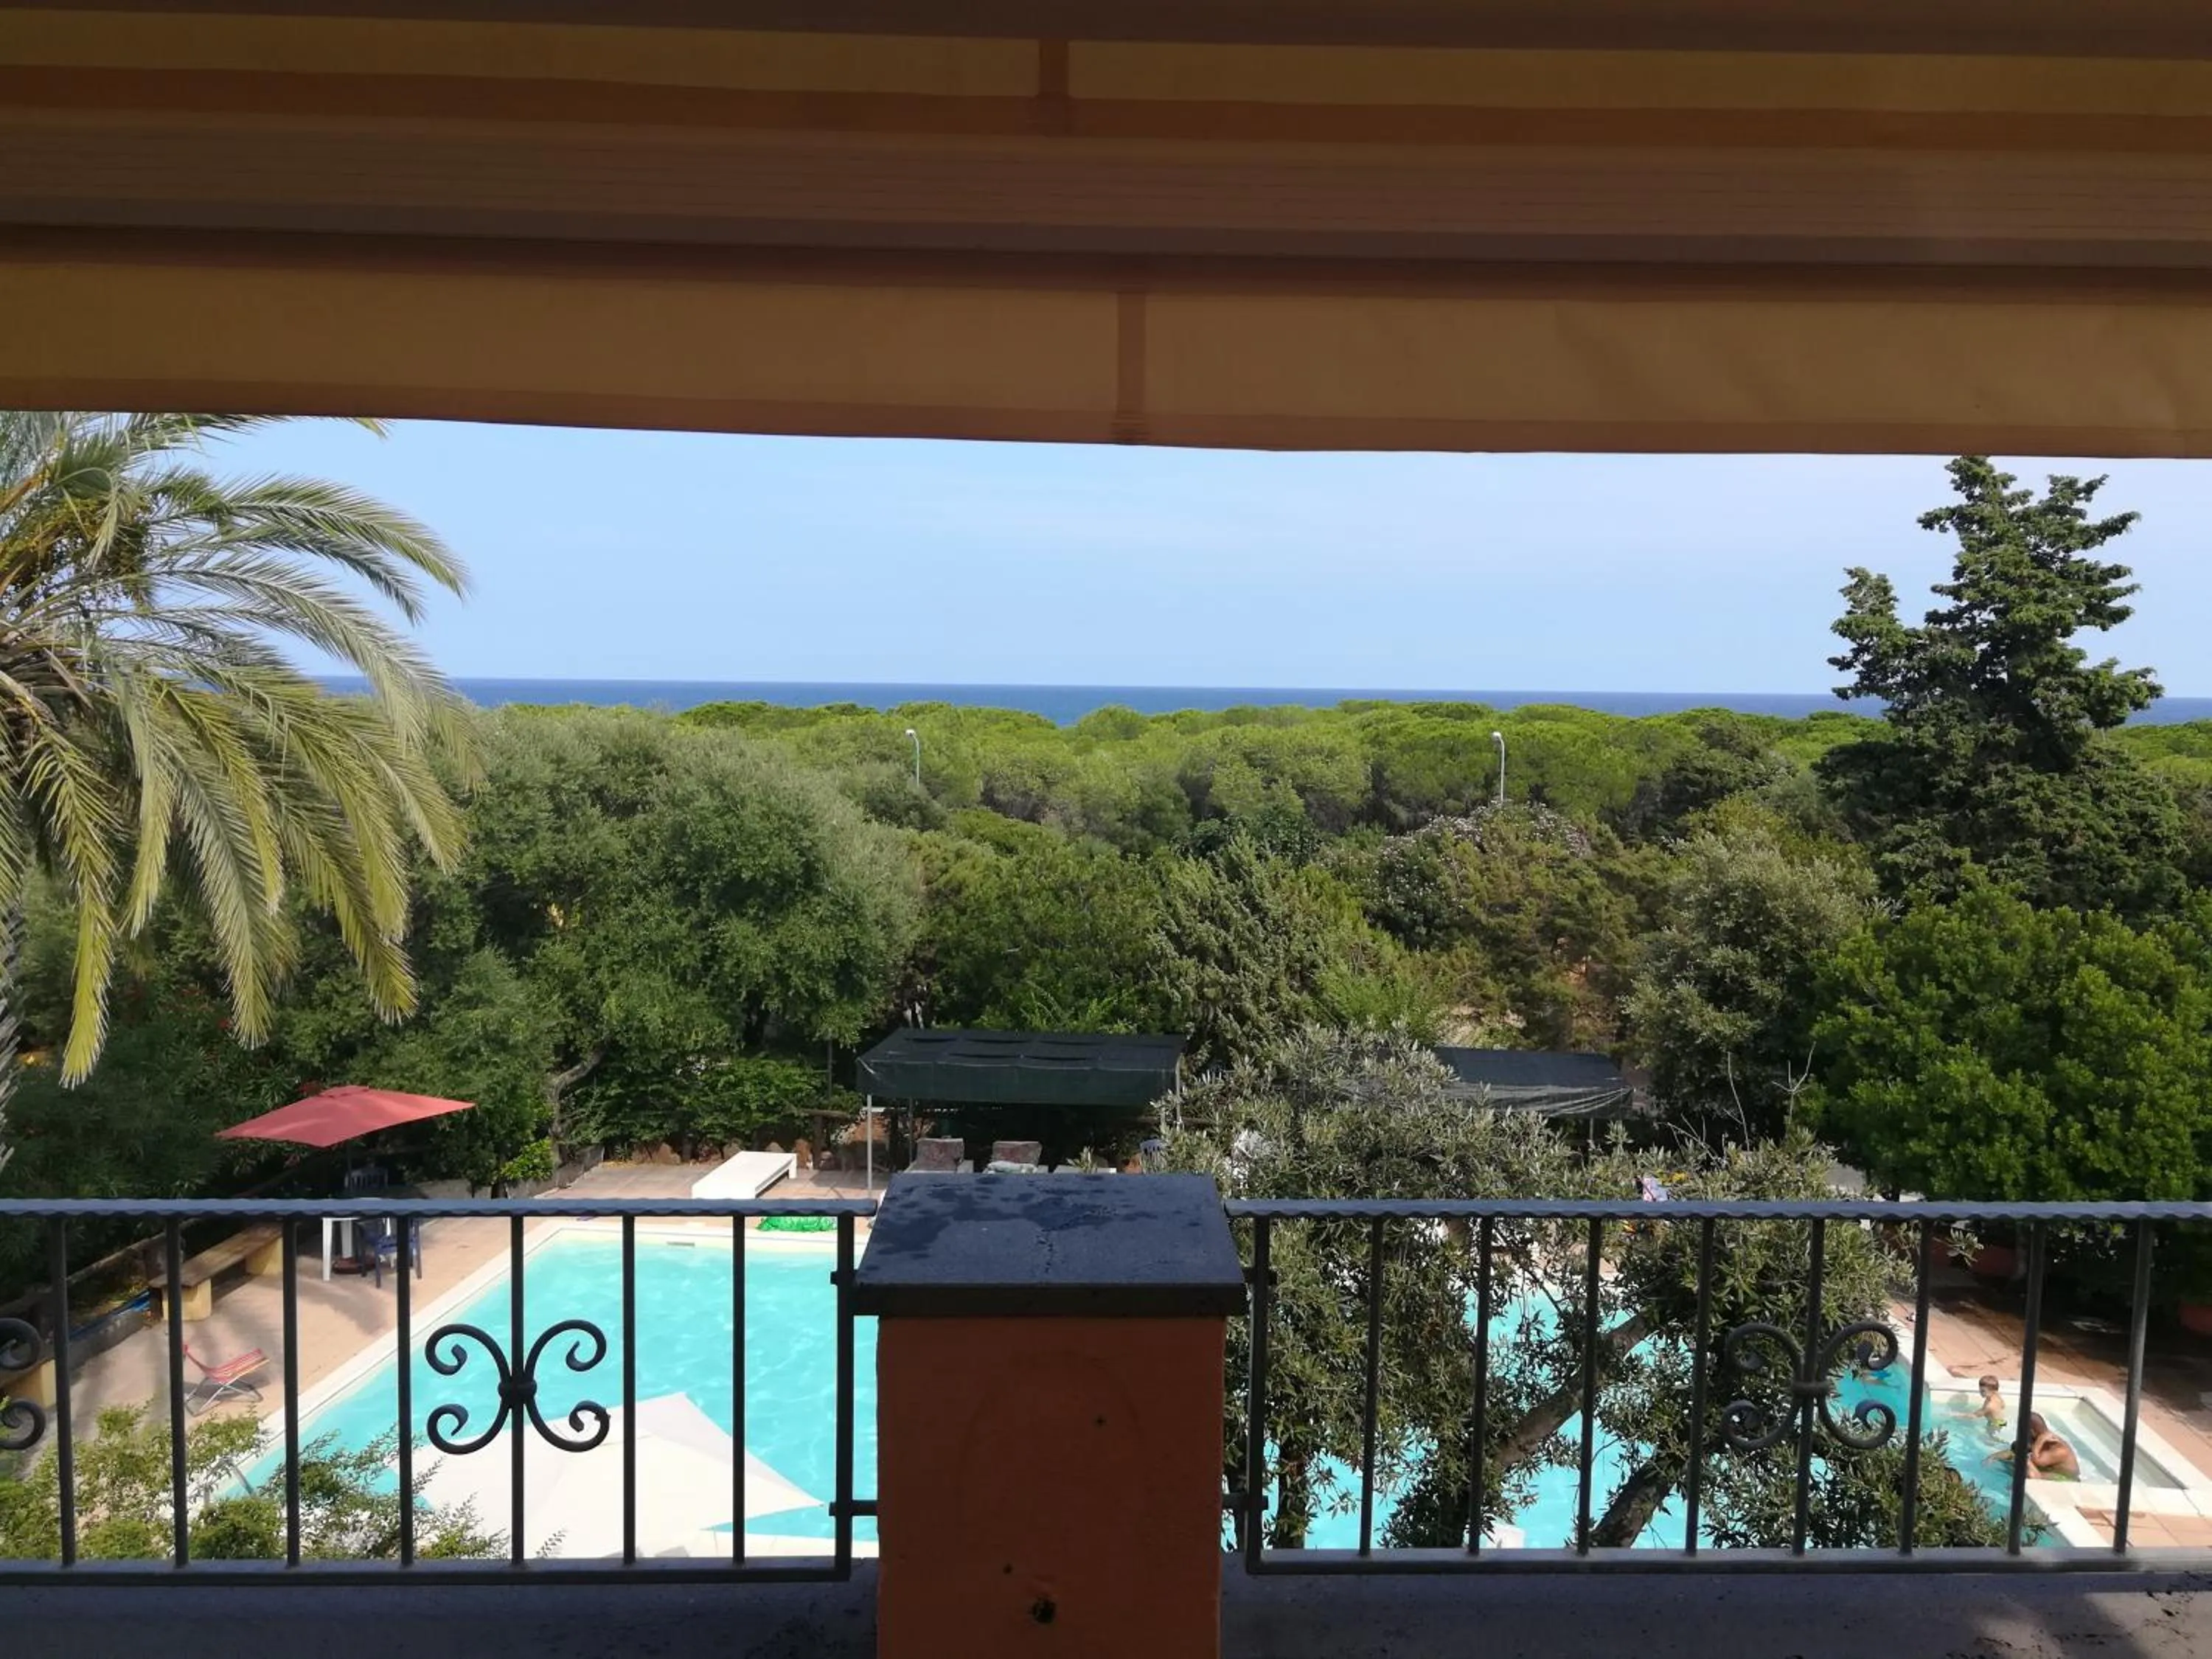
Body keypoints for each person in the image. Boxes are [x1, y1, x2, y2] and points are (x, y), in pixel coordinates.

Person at [1992, 1411, 2081, 1481]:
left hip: (2066, 1480)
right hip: (2051, 1472)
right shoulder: (2036, 1438)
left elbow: (2037, 1461)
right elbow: (2017, 1450)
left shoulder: (2057, 1448)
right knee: (2017, 1461)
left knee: (2028, 1467)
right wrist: (1993, 1457)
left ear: (2031, 1431)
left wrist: (2040, 1441)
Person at [1952, 1374, 2008, 1441]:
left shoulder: (1989, 1406)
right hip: (2002, 1422)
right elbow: (2003, 1406)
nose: (1980, 1393)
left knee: (1984, 1439)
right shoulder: (1997, 1396)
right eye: (1980, 1390)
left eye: (1983, 1391)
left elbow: (1973, 1416)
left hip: (1994, 1426)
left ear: (1992, 1391)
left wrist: (1957, 1415)